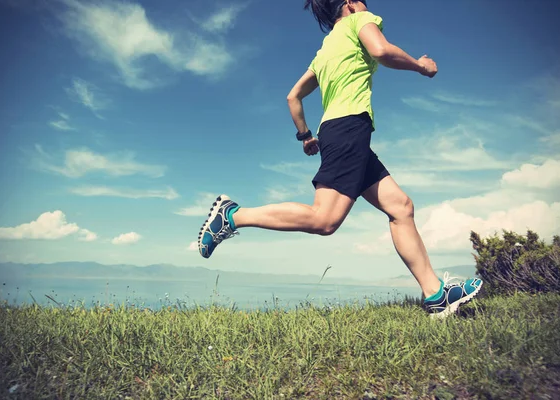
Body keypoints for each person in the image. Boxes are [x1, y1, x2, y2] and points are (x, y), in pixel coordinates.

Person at [197, 0, 482, 318]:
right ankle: (233, 215)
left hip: (339, 131)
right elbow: (381, 51)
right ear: (349, 3)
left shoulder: (325, 51)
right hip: (349, 128)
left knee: (400, 207)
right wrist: (420, 65)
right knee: (325, 219)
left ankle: (436, 296)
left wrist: (306, 136)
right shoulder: (360, 19)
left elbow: (293, 97)